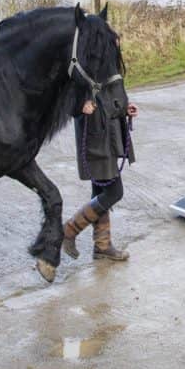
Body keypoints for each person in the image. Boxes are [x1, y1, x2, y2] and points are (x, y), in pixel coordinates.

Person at [61, 94, 138, 262]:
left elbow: (110, 90)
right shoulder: (79, 67)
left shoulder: (106, 67)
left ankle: (102, 246)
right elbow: (63, 94)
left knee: (100, 192)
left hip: (108, 132)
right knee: (114, 192)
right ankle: (69, 229)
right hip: (96, 135)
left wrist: (123, 106)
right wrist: (79, 104)